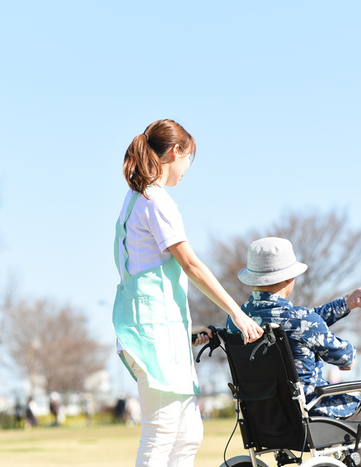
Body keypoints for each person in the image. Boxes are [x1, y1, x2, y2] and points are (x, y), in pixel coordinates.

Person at [112, 119, 263, 466]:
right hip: (152, 334)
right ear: (176, 151)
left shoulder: (135, 198)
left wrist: (185, 333)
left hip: (155, 329)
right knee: (162, 431)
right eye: (188, 158)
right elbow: (192, 266)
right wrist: (238, 315)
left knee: (188, 434)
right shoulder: (155, 199)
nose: (187, 169)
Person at [226, 237, 361, 467]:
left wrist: (348, 302)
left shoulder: (235, 321)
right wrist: (349, 354)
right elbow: (345, 356)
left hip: (265, 422)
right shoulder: (301, 320)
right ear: (289, 278)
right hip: (316, 415)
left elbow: (307, 322)